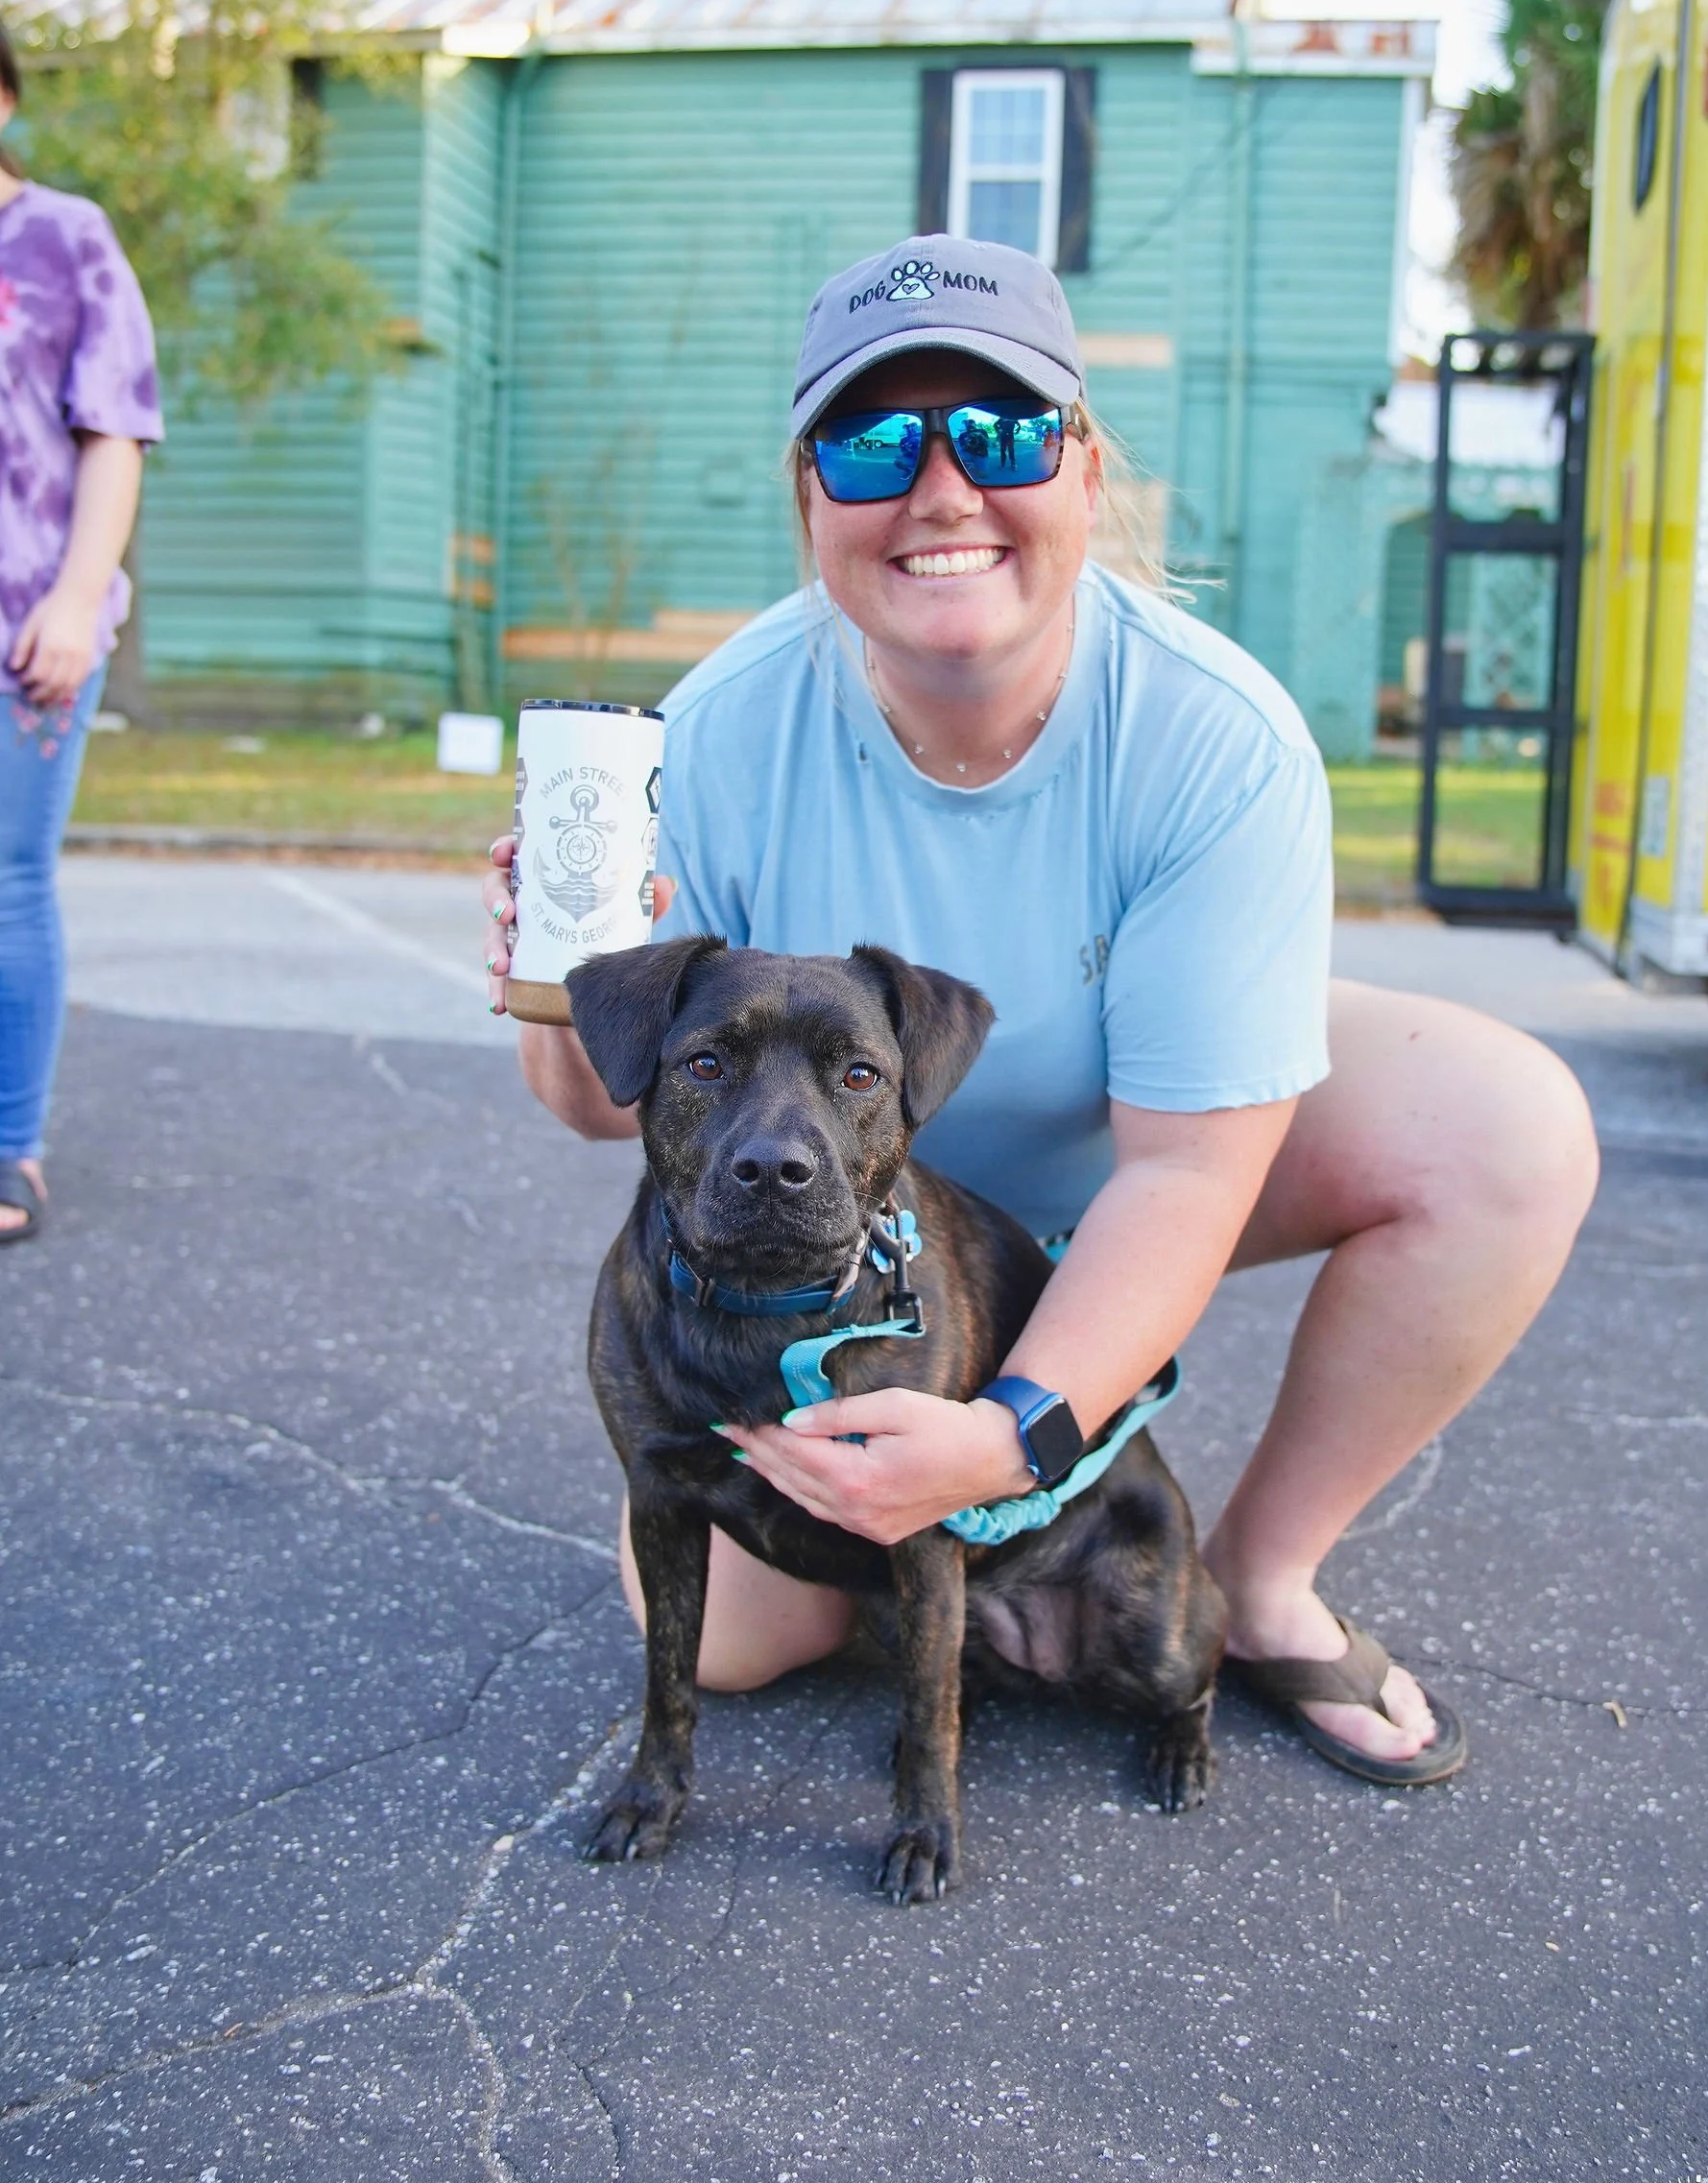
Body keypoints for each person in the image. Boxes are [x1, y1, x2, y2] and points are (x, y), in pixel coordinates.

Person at [484, 234, 1599, 1781]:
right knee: (741, 1650)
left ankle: (1257, 1580)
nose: (940, 491)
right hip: (856, 1223)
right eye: (873, 443)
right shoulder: (723, 731)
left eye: (1000, 434)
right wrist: (552, 986)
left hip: (1121, 1136)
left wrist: (1013, 1442)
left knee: (1508, 1129)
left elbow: (1187, 1171)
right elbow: (606, 1102)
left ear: (1084, 468)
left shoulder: (1217, 739)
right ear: (813, 495)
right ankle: (917, 1519)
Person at [0, 21, 164, 1245]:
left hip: (25, 627)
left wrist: (71, 597)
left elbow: (112, 433)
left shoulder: (66, 239)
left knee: (8, 885)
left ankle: (10, 1149)